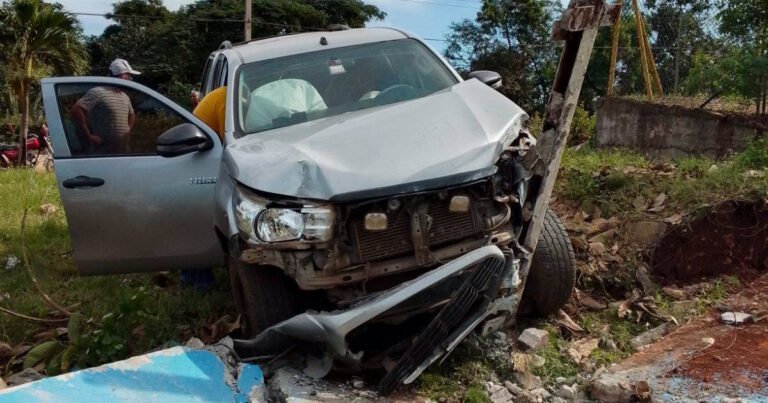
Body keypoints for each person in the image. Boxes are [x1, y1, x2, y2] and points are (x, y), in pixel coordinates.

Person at [69, 59, 139, 154]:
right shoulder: (97, 92)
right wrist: (88, 135)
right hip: (102, 154)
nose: (130, 79)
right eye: (128, 76)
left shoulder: (124, 96)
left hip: (123, 152)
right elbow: (76, 110)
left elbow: (132, 114)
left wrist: (127, 130)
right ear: (122, 76)